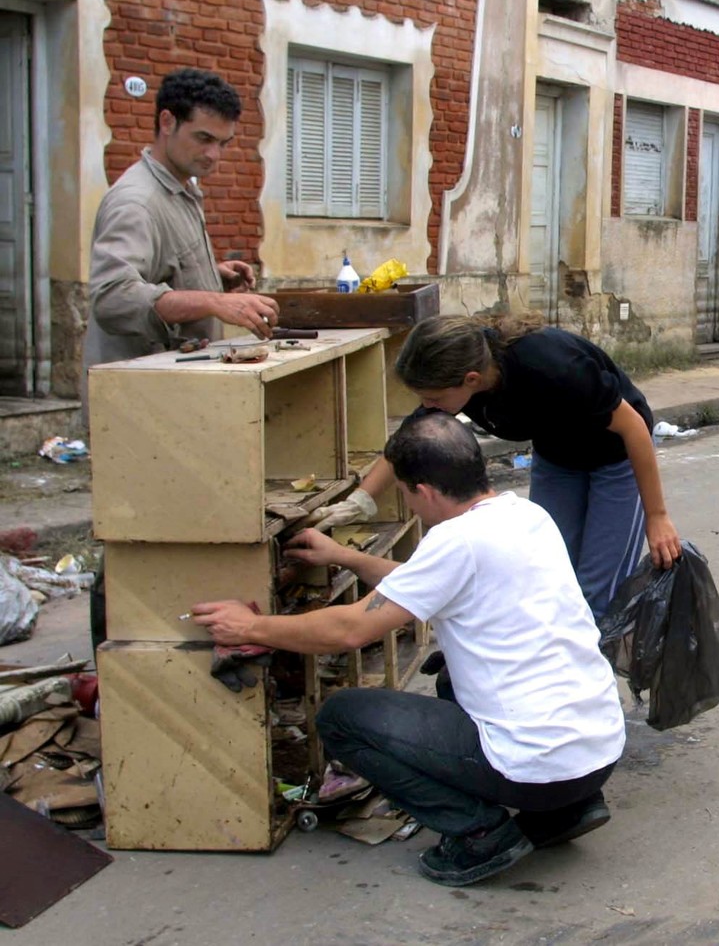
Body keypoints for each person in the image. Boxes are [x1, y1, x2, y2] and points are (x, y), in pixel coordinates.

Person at [192, 412, 625, 887]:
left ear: (423, 490)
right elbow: (420, 586)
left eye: (402, 492)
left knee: (342, 718)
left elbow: (349, 631)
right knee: (447, 674)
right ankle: (566, 810)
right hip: (597, 754)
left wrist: (250, 626)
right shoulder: (524, 514)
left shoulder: (455, 540)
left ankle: (481, 833)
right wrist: (342, 557)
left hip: (536, 765)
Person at [310, 315, 681, 621]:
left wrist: (657, 516)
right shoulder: (461, 379)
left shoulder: (550, 366)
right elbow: (410, 438)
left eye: (433, 398)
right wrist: (360, 500)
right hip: (558, 457)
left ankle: (589, 697)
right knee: (547, 576)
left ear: (470, 380)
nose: (428, 405)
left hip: (615, 457)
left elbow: (633, 427)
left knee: (598, 591)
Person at [85, 67, 279, 372]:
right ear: (167, 122)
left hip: (178, 388)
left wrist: (208, 275)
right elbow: (112, 298)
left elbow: (156, 269)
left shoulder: (181, 187)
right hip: (138, 394)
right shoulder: (136, 201)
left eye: (223, 143)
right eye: (204, 138)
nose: (214, 154)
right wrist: (213, 302)